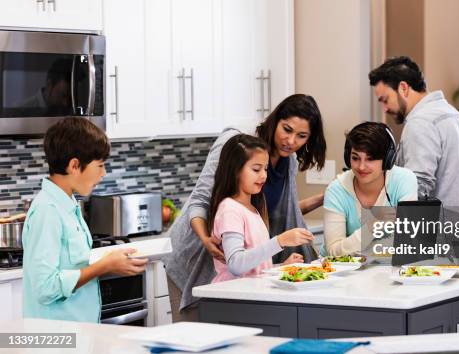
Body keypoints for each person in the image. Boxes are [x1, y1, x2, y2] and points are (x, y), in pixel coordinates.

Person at [164, 94, 327, 321]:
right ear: (275, 120)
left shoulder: (288, 161)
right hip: (196, 258)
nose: (290, 141)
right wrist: (206, 239)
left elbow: (278, 215)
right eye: (286, 130)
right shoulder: (237, 144)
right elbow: (201, 200)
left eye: (301, 136)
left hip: (237, 280)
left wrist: (321, 199)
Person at [22, 118, 147, 323]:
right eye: (100, 165)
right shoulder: (48, 211)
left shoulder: (68, 204)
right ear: (74, 165)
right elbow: (45, 288)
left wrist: (109, 260)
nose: (103, 174)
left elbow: (71, 266)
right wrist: (104, 266)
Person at [368, 56, 459, 208]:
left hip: (438, 229)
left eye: (385, 100)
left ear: (403, 88)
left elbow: (415, 189)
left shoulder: (420, 123)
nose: (385, 109)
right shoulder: (453, 115)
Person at [209, 134, 314, 282]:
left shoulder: (253, 209)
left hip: (252, 294)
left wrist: (282, 267)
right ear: (235, 170)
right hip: (233, 297)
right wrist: (280, 241)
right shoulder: (230, 210)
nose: (264, 175)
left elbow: (255, 271)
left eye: (265, 169)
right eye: (256, 169)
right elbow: (236, 264)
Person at [323, 122, 418, 256]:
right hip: (343, 273)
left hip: (383, 270)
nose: (361, 167)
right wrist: (372, 226)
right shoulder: (336, 190)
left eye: (370, 159)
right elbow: (333, 251)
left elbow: (410, 242)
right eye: (355, 158)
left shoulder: (403, 180)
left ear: (387, 160)